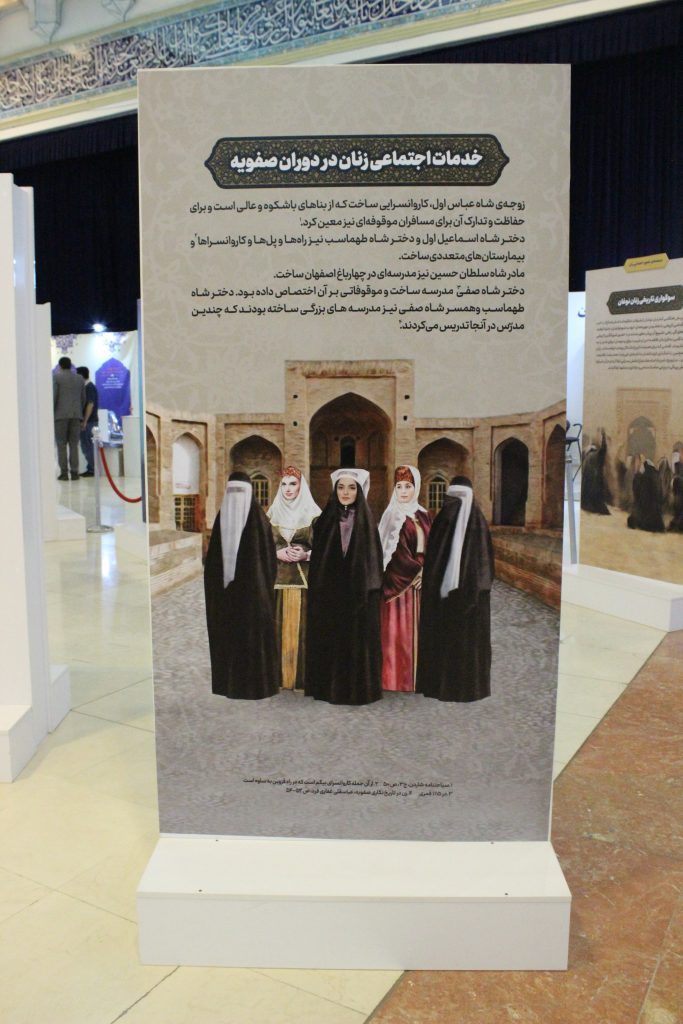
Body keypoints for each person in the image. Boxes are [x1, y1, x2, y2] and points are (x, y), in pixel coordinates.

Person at [304, 468, 383, 706]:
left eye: (351, 488)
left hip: (359, 595)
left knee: (357, 643)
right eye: (341, 487)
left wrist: (367, 590)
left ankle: (358, 691)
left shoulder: (367, 522)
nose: (345, 492)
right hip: (330, 594)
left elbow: (373, 561)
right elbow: (319, 559)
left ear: (359, 491)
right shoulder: (324, 521)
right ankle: (328, 690)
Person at [416, 476, 494, 703]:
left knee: (462, 644)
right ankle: (449, 687)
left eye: (460, 498)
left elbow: (483, 563)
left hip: (467, 598)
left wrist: (471, 591)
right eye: (453, 498)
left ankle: (458, 688)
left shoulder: (464, 521)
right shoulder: (455, 520)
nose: (456, 504)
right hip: (453, 598)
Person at [203, 472, 280, 699]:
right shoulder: (221, 519)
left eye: (241, 492)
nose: (236, 499)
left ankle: (257, 687)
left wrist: (261, 592)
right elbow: (212, 563)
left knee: (254, 640)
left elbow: (269, 562)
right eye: (232, 492)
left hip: (254, 598)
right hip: (226, 598)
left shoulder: (259, 522)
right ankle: (228, 685)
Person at [266, 467, 321, 690]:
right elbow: (258, 546)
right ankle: (275, 679)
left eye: (293, 484)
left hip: (305, 582)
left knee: (305, 630)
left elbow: (327, 548)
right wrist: (275, 552)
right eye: (284, 484)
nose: (288, 489)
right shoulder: (270, 516)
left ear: (301, 486)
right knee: (274, 627)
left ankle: (302, 680)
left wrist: (306, 555)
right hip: (275, 582)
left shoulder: (315, 516)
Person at [378, 465, 431, 692]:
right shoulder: (393, 515)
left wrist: (427, 571)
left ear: (416, 488)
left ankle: (419, 678)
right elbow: (395, 552)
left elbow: (433, 546)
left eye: (408, 486)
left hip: (421, 580)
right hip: (399, 581)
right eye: (399, 486)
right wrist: (417, 571)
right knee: (398, 631)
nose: (403, 491)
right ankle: (396, 679)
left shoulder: (423, 515)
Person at [53, 356, 85, 480]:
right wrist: (79, 412)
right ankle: (75, 472)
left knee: (61, 445)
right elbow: (83, 398)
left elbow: (54, 396)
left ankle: (64, 473)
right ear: (71, 365)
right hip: (76, 415)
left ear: (60, 366)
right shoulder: (79, 378)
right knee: (74, 445)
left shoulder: (56, 377)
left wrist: (52, 412)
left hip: (60, 416)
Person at [627, 459, 665, 533]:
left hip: (646, 511)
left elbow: (641, 495)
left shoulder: (644, 477)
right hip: (656, 512)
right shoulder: (656, 475)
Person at [581, 430, 611, 514]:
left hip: (586, 494)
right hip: (594, 487)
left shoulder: (587, 457)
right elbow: (603, 449)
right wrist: (604, 436)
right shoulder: (595, 455)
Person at [76, 366, 98, 477]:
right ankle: (91, 468)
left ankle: (92, 469)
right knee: (86, 445)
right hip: (88, 421)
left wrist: (84, 421)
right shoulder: (86, 387)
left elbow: (90, 405)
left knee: (87, 446)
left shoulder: (89, 387)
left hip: (89, 422)